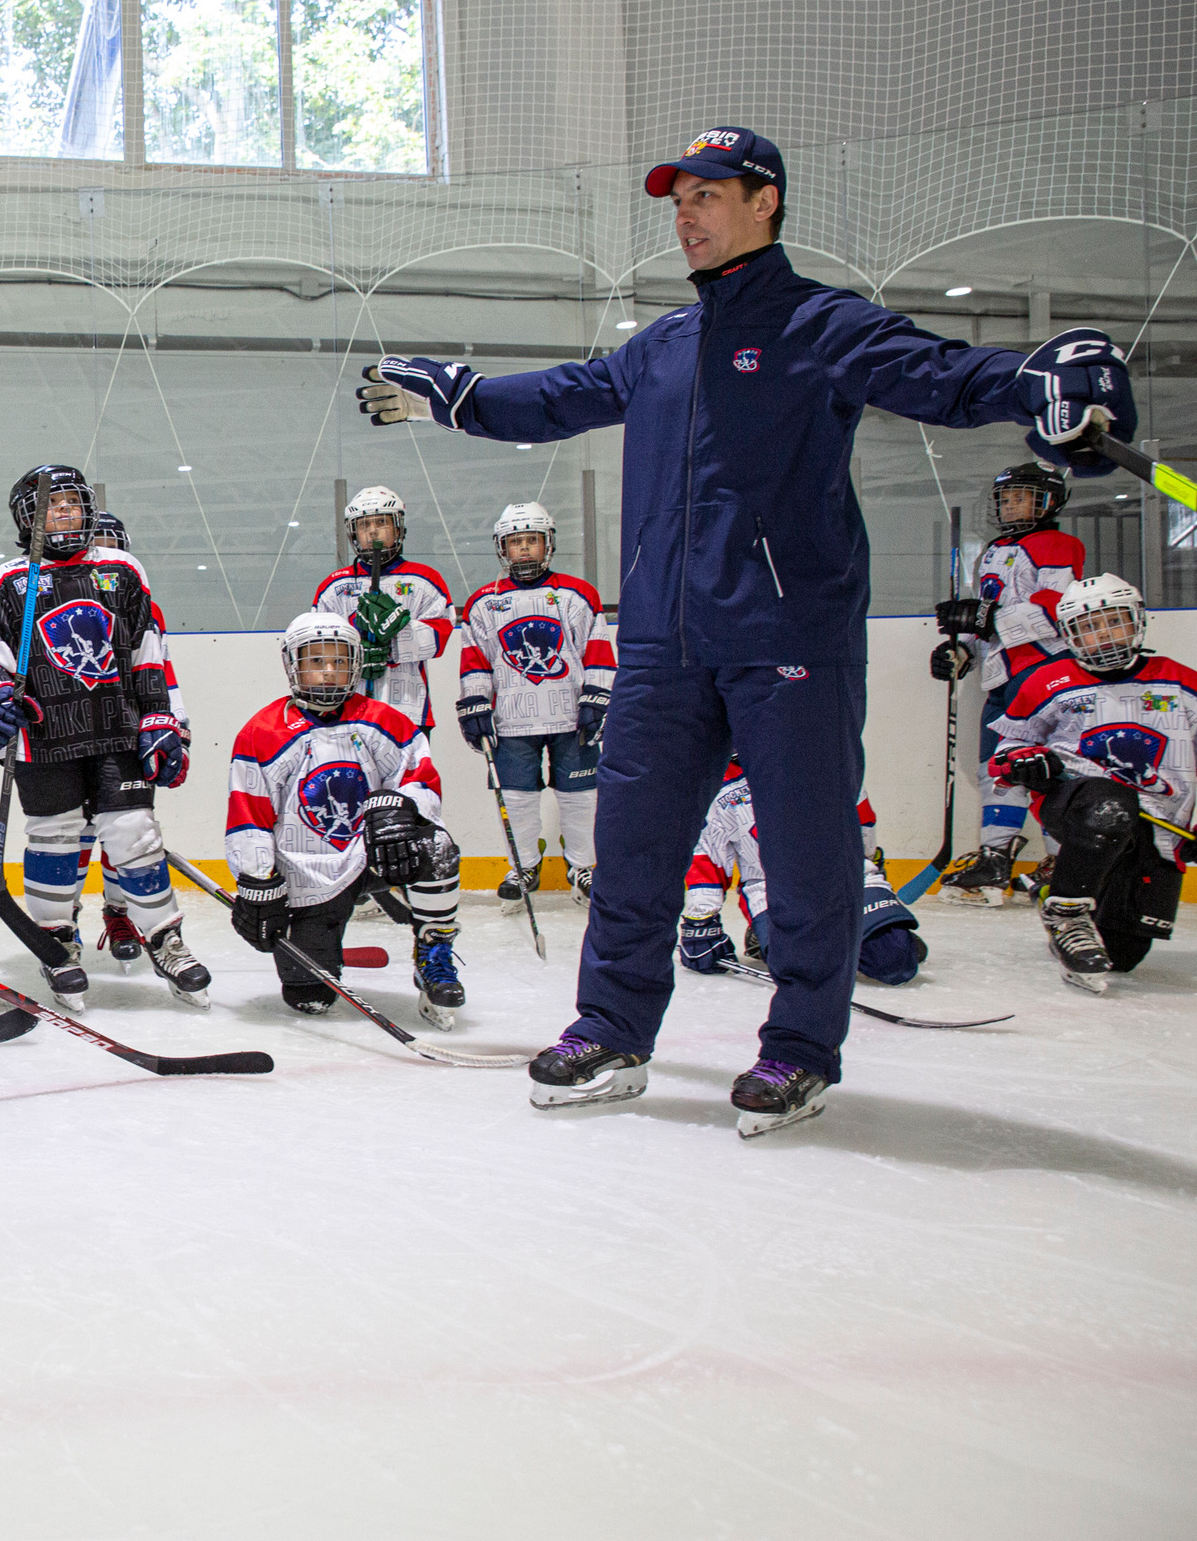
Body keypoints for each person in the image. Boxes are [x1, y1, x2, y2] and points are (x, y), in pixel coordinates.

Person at [356, 122, 1136, 1136]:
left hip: (788, 638)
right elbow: (560, 397)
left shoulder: (822, 324)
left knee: (806, 853)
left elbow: (939, 376)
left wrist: (1037, 381)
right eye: (677, 201)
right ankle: (612, 1026)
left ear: (764, 201)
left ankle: (801, 1048)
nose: (685, 216)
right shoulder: (666, 346)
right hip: (663, 649)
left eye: (707, 196)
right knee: (634, 849)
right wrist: (456, 398)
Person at [0, 464, 205, 1009]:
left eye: (74, 504)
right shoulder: (6, 581)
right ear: (27, 519)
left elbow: (147, 649)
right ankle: (57, 944)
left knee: (134, 834)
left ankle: (166, 940)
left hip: (117, 732)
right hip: (43, 738)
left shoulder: (122, 569)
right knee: (54, 840)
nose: (66, 513)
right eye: (53, 505)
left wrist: (159, 718)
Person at [228, 614, 467, 1018]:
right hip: (306, 872)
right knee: (310, 997)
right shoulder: (263, 732)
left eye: (339, 662)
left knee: (437, 847)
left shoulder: (382, 719)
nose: (328, 672)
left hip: (375, 854)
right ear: (293, 664)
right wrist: (257, 883)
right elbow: (249, 815)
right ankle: (321, 941)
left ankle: (433, 946)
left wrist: (402, 806)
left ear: (355, 664)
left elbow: (419, 777)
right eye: (316, 661)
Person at [986, 575, 1195, 995]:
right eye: (1089, 627)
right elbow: (1004, 755)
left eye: (1113, 621)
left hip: (1159, 824)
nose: (1103, 635)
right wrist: (1024, 764)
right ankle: (1066, 912)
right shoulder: (1047, 682)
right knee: (1109, 806)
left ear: (1137, 621)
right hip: (1077, 800)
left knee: (1121, 956)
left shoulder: (1182, 683)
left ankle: (1052, 890)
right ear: (1070, 635)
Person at [936, 462, 1083, 904]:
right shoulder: (993, 551)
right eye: (1007, 497)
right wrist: (960, 650)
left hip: (1047, 674)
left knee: (1050, 769)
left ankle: (1061, 864)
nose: (1013, 504)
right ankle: (996, 857)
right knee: (994, 768)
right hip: (1003, 676)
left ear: (1051, 501)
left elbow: (1057, 606)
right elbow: (986, 619)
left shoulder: (1059, 544)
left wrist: (988, 617)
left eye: (1024, 496)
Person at [455, 501, 613, 909]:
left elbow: (596, 652)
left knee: (580, 794)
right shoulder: (482, 604)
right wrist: (474, 705)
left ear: (548, 544)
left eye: (532, 540)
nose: (524, 550)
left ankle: (582, 865)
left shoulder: (578, 595)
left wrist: (596, 696)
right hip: (511, 719)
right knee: (515, 797)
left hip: (570, 715)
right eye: (515, 542)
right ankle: (524, 863)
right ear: (501, 548)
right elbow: (477, 662)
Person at [679, 760, 925, 988]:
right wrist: (701, 922)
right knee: (800, 970)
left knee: (893, 961)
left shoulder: (825, 753)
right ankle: (772, 934)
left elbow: (862, 822)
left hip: (842, 874)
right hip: (771, 888)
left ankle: (869, 937)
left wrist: (866, 867)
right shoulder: (714, 781)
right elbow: (707, 858)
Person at [75, 507, 185, 961]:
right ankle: (65, 925)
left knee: (126, 834)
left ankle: (118, 911)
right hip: (68, 739)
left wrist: (174, 723)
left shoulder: (141, 601)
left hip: (127, 733)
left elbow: (158, 669)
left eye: (112, 545)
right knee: (75, 837)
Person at [310, 484, 456, 735]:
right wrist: (355, 652)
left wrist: (393, 636)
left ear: (398, 528)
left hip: (408, 706)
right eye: (364, 525)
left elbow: (440, 634)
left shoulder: (424, 579)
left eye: (381, 522)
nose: (373, 530)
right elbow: (317, 642)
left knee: (411, 775)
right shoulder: (335, 585)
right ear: (353, 532)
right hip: (346, 706)